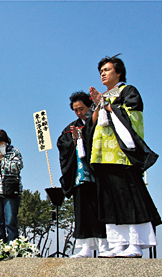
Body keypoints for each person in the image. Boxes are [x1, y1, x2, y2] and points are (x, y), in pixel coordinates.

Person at [87, 54, 161, 258]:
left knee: (129, 197)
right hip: (102, 155)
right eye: (101, 71)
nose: (103, 73)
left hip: (121, 155)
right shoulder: (102, 96)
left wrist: (108, 105)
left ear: (119, 72)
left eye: (107, 69)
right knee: (109, 200)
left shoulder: (128, 91)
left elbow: (133, 115)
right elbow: (91, 124)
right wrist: (97, 105)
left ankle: (135, 243)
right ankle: (117, 243)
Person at [57, 92, 107, 258]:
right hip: (80, 175)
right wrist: (74, 140)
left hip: (99, 173)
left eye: (82, 109)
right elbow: (61, 144)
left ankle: (104, 244)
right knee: (82, 209)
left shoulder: (100, 120)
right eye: (76, 110)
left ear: (90, 105)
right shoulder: (72, 126)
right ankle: (84, 246)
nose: (79, 113)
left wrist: (84, 138)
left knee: (101, 208)